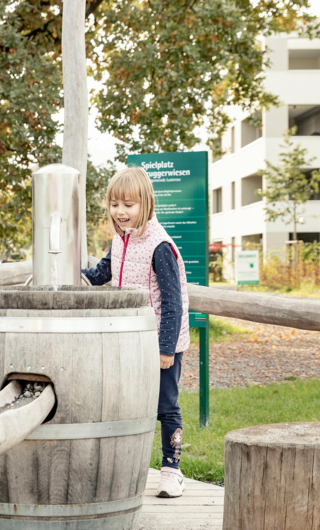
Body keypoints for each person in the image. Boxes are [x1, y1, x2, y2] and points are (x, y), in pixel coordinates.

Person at [82, 166, 190, 498]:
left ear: (145, 204)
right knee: (127, 402)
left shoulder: (160, 245)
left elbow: (173, 302)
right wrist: (75, 275)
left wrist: (166, 349)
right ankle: (127, 464)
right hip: (130, 340)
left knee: (165, 404)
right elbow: (103, 272)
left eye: (128, 204)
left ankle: (172, 469)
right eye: (115, 204)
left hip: (160, 341)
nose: (120, 211)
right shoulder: (120, 240)